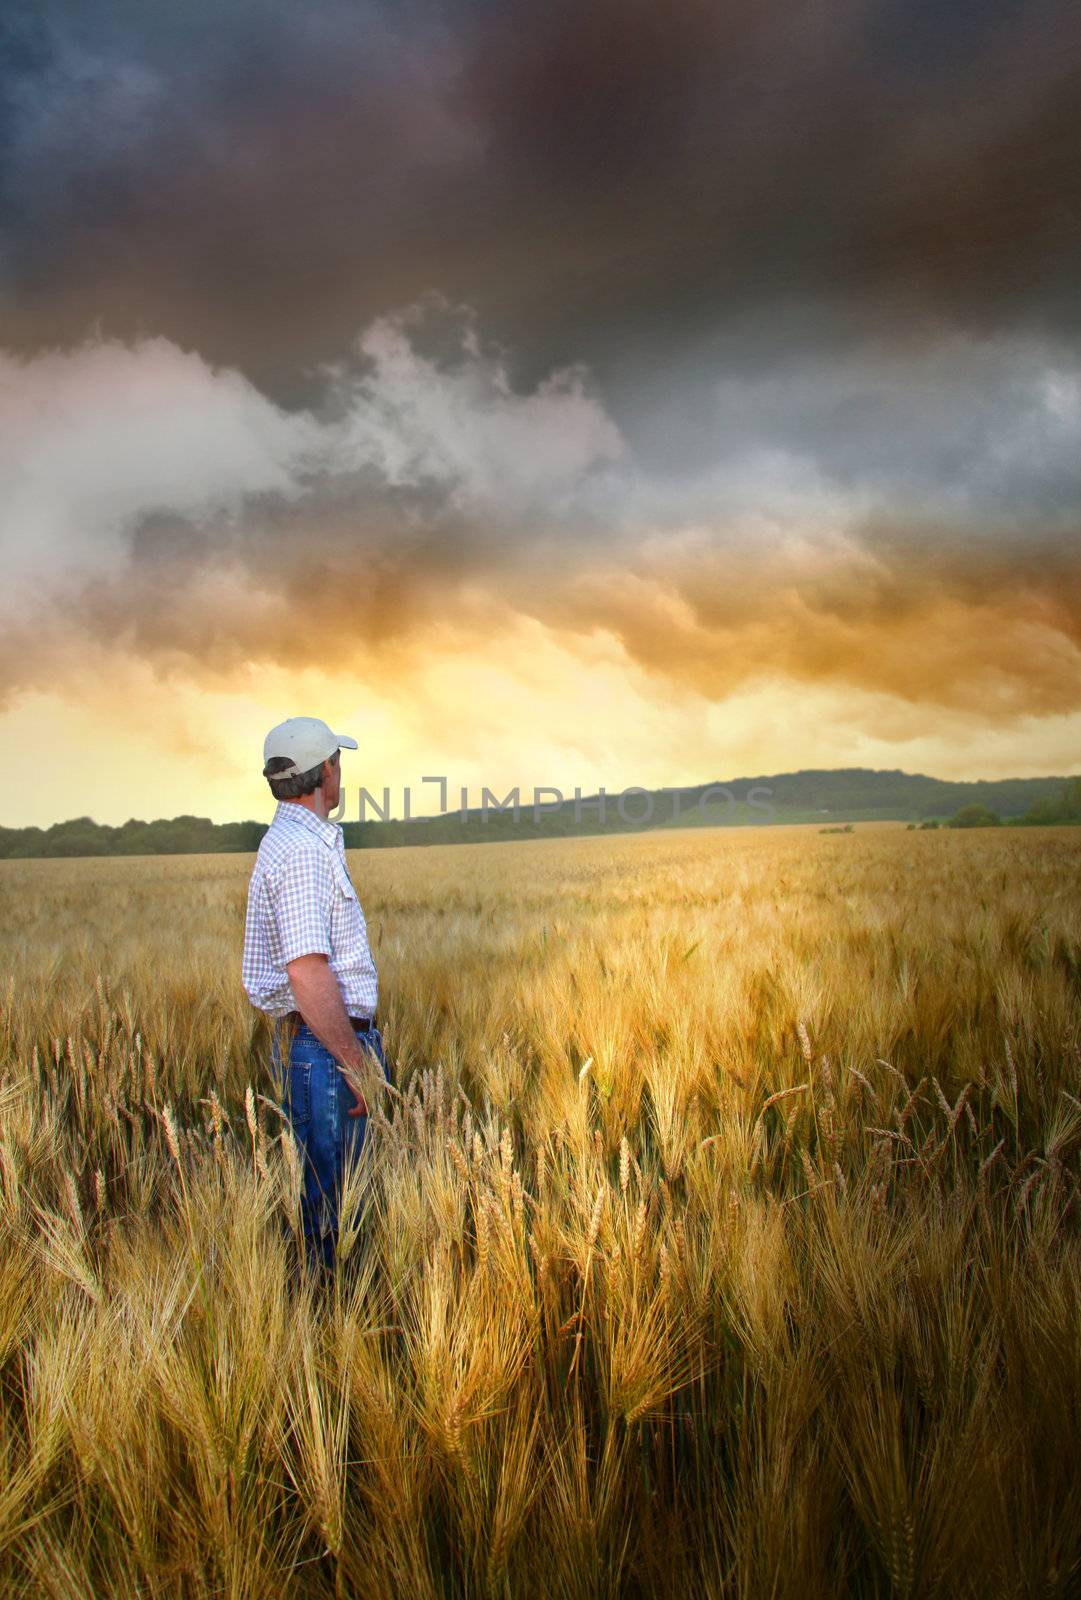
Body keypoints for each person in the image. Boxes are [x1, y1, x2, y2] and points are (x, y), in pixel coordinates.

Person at [241, 715, 393, 1271]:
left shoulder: (291, 842)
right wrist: (354, 1062)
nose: (340, 770)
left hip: (319, 1050)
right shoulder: (303, 851)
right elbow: (307, 972)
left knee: (333, 1208)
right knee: (338, 1219)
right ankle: (336, 1334)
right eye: (337, 760)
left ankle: (330, 1328)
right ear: (324, 770)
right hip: (329, 1055)